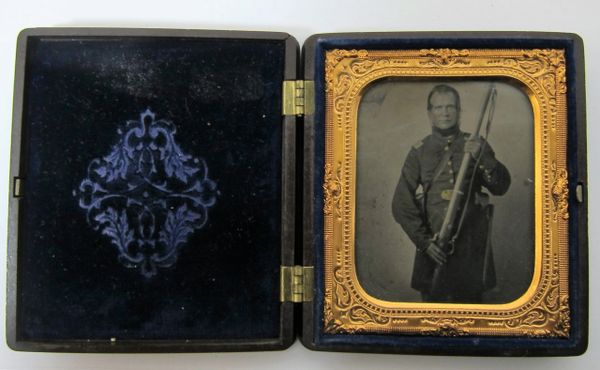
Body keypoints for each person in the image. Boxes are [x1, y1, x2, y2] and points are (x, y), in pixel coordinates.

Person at [391, 84, 511, 303]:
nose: (445, 113)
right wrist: (425, 243)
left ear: (459, 111)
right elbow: (401, 204)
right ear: (430, 113)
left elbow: (501, 187)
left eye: (450, 107)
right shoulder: (419, 151)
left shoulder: (475, 143)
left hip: (471, 248)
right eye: (438, 108)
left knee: (471, 315)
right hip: (434, 247)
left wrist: (483, 156)